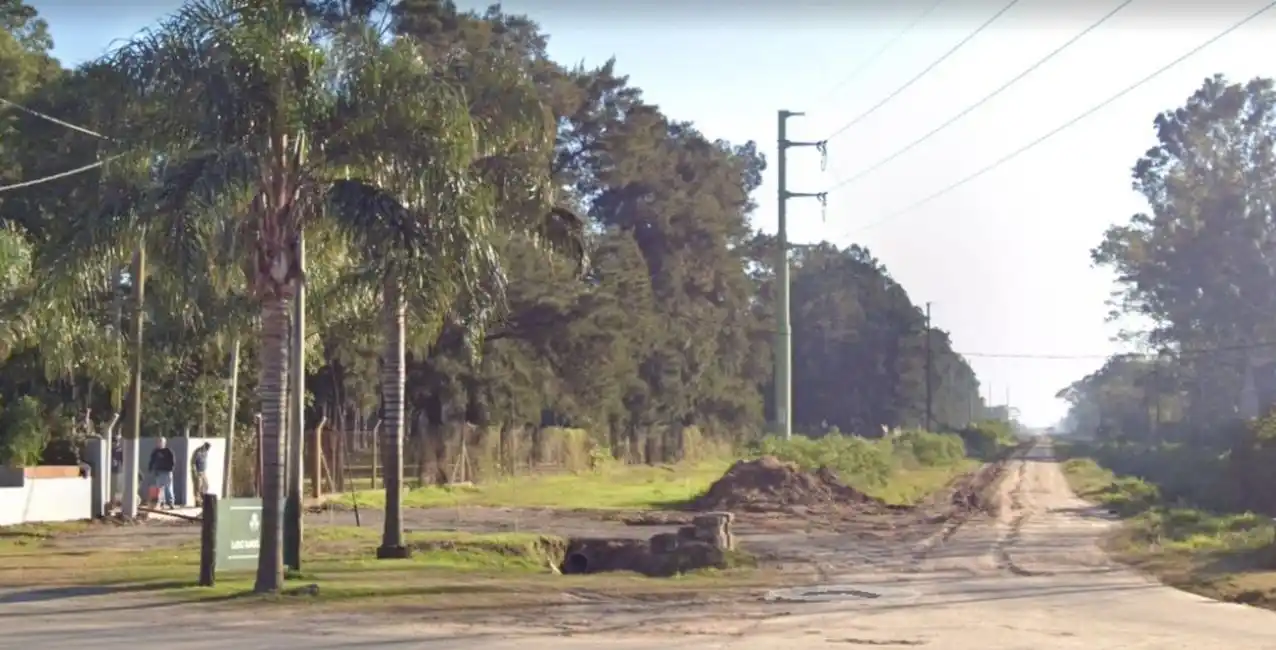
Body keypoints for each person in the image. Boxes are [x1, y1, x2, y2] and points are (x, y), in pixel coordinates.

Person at [147, 437, 176, 509]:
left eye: (161, 442)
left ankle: (171, 503)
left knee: (169, 488)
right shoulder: (155, 452)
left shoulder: (169, 451)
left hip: (167, 472)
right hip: (158, 472)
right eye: (159, 441)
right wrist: (150, 468)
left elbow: (173, 461)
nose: (160, 443)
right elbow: (152, 461)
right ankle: (162, 503)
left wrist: (171, 470)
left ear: (164, 443)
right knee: (160, 489)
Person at [191, 442, 211, 506]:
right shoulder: (197, 452)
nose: (207, 450)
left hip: (203, 471)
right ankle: (197, 502)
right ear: (204, 446)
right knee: (197, 487)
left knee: (206, 486)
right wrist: (195, 472)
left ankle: (202, 499)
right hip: (198, 471)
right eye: (206, 448)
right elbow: (193, 462)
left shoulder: (205, 452)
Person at [110, 438, 123, 507]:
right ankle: (113, 502)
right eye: (114, 442)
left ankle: (116, 502)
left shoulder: (120, 451)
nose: (115, 444)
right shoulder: (110, 450)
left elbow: (123, 460)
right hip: (111, 471)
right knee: (112, 488)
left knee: (117, 488)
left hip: (118, 471)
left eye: (116, 442)